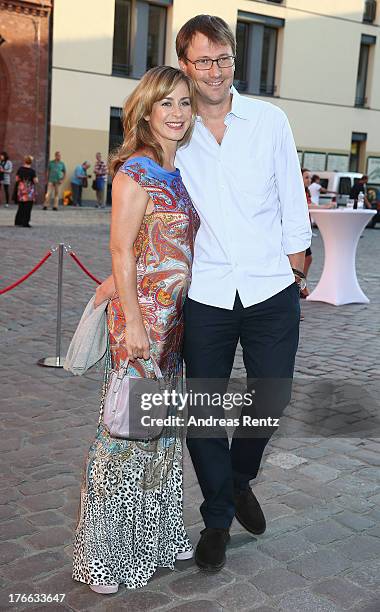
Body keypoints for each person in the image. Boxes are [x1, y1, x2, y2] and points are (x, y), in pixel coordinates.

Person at [95, 14, 312, 574]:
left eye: (223, 59)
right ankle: (217, 518)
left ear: (234, 60)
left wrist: (298, 257)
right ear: (184, 65)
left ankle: (239, 481)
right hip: (207, 292)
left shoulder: (269, 120)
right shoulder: (175, 134)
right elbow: (149, 218)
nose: (214, 72)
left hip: (269, 285)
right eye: (202, 61)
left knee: (272, 399)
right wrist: (120, 276)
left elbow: (292, 191)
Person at [72, 66, 199, 594]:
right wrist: (136, 322)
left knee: (162, 437)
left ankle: (153, 540)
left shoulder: (178, 170)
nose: (177, 113)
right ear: (146, 111)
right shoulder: (136, 172)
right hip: (142, 325)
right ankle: (103, 555)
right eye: (166, 103)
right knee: (123, 436)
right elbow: (122, 251)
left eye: (185, 103)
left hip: (174, 327)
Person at [301, 168, 335, 297]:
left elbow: (310, 203)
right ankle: (299, 287)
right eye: (306, 177)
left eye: (309, 177)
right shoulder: (298, 190)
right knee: (305, 258)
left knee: (307, 258)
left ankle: (300, 285)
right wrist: (323, 207)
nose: (309, 180)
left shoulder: (306, 191)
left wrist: (325, 206)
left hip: (304, 228)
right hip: (296, 230)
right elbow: (305, 205)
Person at [14, 155, 38, 228]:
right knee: (28, 207)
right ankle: (25, 222)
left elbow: (17, 179)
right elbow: (36, 181)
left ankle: (18, 221)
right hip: (29, 191)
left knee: (21, 206)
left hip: (21, 189)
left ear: (25, 161)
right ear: (31, 162)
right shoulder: (32, 171)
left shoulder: (20, 169)